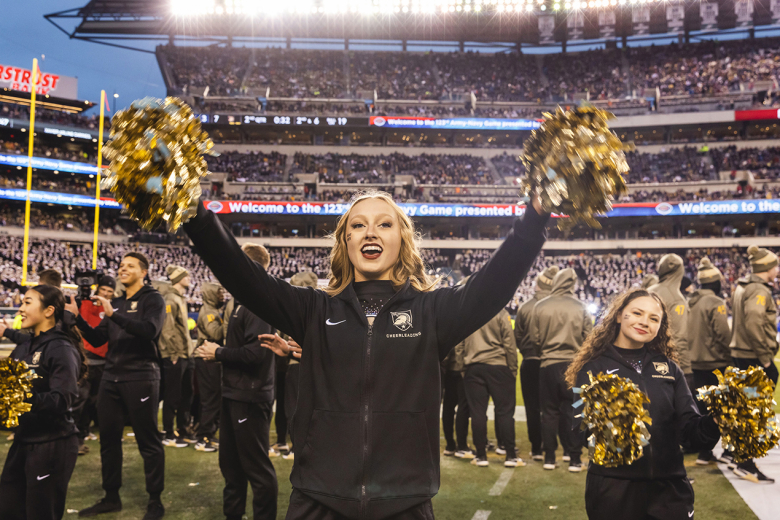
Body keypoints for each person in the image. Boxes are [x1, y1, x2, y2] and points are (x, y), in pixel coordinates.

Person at [183, 190, 548, 519]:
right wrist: (195, 213)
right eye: (358, 225)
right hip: (316, 500)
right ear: (346, 241)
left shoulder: (432, 312)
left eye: (384, 224)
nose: (370, 232)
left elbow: (495, 283)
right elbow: (242, 275)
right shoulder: (312, 309)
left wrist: (536, 215)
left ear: (402, 240)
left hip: (405, 502)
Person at [565, 288, 720, 520]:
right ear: (618, 315)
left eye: (654, 318)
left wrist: (716, 420)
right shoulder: (593, 368)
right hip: (614, 490)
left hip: (670, 488)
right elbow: (580, 432)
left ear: (660, 327)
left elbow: (690, 433)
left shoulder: (669, 369)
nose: (644, 322)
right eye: (637, 313)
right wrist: (613, 425)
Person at [67, 252, 168, 520]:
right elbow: (99, 338)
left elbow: (150, 330)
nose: (123, 269)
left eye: (130, 266)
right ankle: (111, 497)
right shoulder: (117, 302)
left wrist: (114, 314)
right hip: (112, 378)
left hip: (141, 376)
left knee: (149, 441)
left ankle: (155, 501)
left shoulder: (153, 299)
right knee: (108, 440)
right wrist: (78, 319)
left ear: (143, 272)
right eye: (121, 265)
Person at [194, 242, 278, 520]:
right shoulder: (244, 301)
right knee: (231, 468)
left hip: (249, 397)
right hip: (235, 394)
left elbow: (256, 354)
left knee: (257, 470)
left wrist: (216, 352)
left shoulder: (257, 303)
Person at [0, 286, 86, 520]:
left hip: (52, 444)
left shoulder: (61, 348)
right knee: (8, 510)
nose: (20, 308)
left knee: (40, 514)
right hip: (24, 440)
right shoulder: (23, 347)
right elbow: (8, 401)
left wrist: (22, 395)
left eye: (27, 302)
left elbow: (63, 399)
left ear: (49, 310)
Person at [531, 268, 592, 473]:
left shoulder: (540, 306)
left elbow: (535, 340)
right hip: (573, 366)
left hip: (548, 364)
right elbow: (589, 339)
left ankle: (549, 457)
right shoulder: (581, 307)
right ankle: (574, 458)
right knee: (574, 412)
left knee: (548, 413)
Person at [728, 245, 778, 484]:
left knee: (745, 407)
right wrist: (766, 358)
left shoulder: (744, 286)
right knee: (754, 410)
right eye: (775, 265)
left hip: (742, 353)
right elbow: (755, 322)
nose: (777, 269)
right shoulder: (758, 290)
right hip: (754, 356)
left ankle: (739, 455)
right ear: (766, 268)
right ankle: (744, 462)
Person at [457, 305, 521, 468]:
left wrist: (463, 368)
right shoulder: (501, 313)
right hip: (498, 365)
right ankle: (510, 455)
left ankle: (481, 455)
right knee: (505, 413)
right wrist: (512, 369)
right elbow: (509, 343)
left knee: (477, 413)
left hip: (473, 367)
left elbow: (459, 345)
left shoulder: (467, 314)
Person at [688, 258, 732, 467]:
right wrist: (729, 355)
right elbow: (723, 333)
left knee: (703, 409)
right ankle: (719, 451)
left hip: (695, 363)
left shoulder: (692, 301)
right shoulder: (715, 302)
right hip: (715, 362)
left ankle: (704, 452)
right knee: (722, 408)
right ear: (715, 283)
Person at [514, 265, 559, 461]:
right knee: (552, 407)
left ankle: (536, 448)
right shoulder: (558, 305)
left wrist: (527, 352)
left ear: (538, 285)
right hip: (553, 361)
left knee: (532, 407)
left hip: (530, 361)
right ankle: (553, 447)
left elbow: (518, 336)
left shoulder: (525, 307)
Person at [73, 276, 116, 454]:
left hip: (105, 361)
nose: (106, 293)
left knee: (93, 402)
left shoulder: (112, 308)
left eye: (110, 291)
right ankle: (75, 439)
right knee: (79, 401)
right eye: (103, 290)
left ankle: (84, 432)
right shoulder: (85, 303)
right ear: (97, 290)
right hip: (87, 359)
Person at [281, 271, 318, 461]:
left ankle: (297, 447)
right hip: (316, 367)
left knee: (295, 409)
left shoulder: (296, 308)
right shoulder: (320, 306)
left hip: (298, 366)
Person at [159, 265, 195, 448]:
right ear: (177, 278)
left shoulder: (179, 298)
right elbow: (167, 329)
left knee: (186, 395)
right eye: (185, 275)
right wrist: (173, 353)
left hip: (185, 354)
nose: (188, 278)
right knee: (172, 395)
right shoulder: (170, 299)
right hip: (176, 355)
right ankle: (167, 431)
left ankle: (182, 429)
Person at [648, 254, 693, 388]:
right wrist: (686, 370)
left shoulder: (649, 291)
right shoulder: (677, 299)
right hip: (668, 365)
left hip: (647, 361)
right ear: (680, 272)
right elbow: (679, 338)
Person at [193, 281, 225, 453]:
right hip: (206, 359)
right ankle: (203, 437)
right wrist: (228, 323)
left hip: (209, 359)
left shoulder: (212, 311)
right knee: (211, 398)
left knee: (213, 397)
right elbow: (216, 334)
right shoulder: (209, 313)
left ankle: (208, 434)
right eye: (219, 293)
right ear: (212, 294)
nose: (222, 296)